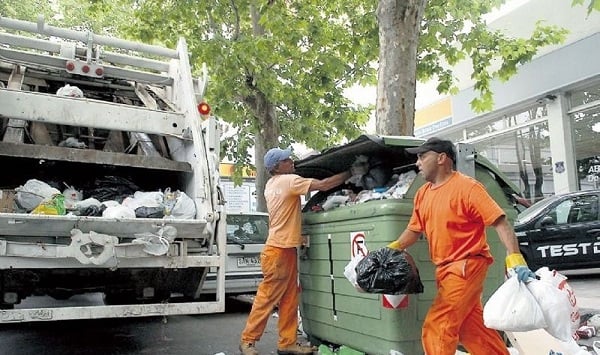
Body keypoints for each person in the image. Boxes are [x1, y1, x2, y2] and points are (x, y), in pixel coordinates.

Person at [386, 137, 535, 355]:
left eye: (422, 156)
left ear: (441, 158)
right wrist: (394, 247)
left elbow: (500, 222)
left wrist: (515, 257)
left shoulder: (467, 188)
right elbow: (414, 229)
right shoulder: (423, 194)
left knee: (438, 326)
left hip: (466, 266)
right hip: (445, 271)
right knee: (470, 329)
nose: (417, 162)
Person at [239, 147, 351, 355]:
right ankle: (248, 341)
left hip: (284, 249)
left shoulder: (271, 184)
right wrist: (351, 172)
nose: (291, 162)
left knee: (289, 298)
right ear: (277, 166)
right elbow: (325, 185)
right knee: (267, 299)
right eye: (286, 160)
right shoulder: (288, 181)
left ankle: (287, 342)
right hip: (278, 251)